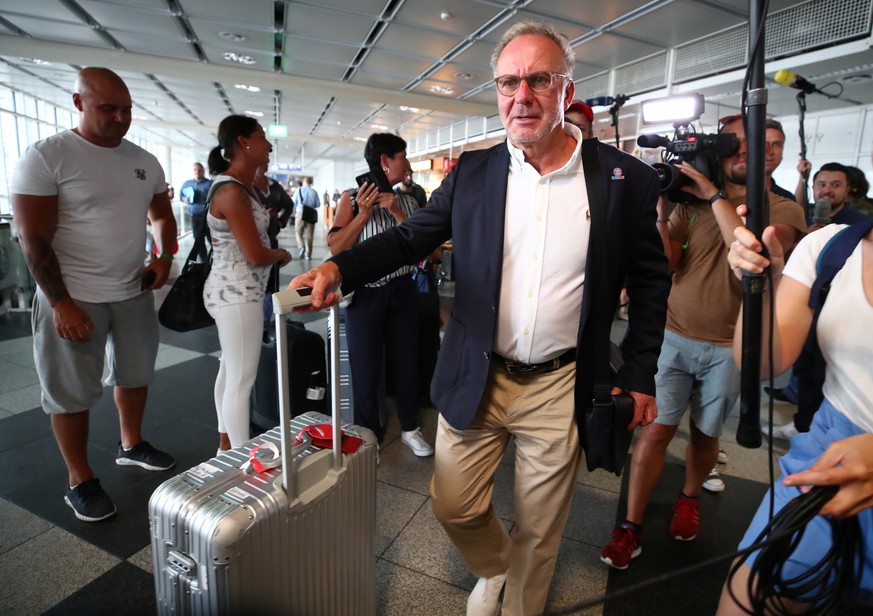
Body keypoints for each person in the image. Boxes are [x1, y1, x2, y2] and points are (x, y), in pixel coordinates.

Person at [290, 21, 670, 615]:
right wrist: (342, 270)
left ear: (566, 89)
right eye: (508, 82)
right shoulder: (473, 173)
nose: (522, 96)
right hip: (477, 370)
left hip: (560, 382)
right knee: (453, 504)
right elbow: (410, 238)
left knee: (542, 531)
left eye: (539, 79)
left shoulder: (624, 180)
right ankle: (496, 567)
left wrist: (641, 369)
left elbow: (650, 281)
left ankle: (518, 600)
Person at [600, 114, 806, 570]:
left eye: (766, 144)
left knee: (705, 433)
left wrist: (713, 195)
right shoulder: (687, 207)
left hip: (730, 346)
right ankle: (630, 526)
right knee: (655, 429)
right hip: (674, 337)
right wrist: (659, 206)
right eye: (737, 144)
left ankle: (689, 497)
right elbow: (667, 263)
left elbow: (752, 246)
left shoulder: (783, 209)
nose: (751, 152)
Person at [9, 67, 178, 523]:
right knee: (71, 393)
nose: (121, 118)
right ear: (79, 102)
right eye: (108, 108)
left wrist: (163, 256)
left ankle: (131, 443)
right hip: (73, 293)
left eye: (126, 109)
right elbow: (33, 237)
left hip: (132, 290)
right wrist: (60, 302)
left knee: (136, 374)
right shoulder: (47, 156)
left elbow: (161, 215)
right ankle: (79, 479)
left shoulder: (144, 160)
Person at [717, 215, 873, 615]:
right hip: (826, 460)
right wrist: (762, 289)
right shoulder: (833, 247)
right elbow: (765, 362)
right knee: (744, 601)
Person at [328, 133, 434, 458]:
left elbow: (426, 250)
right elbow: (335, 247)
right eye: (403, 156)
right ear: (386, 160)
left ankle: (410, 427)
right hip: (365, 294)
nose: (409, 163)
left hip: (403, 290)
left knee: (407, 361)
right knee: (365, 366)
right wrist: (362, 214)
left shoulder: (410, 201)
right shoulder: (350, 198)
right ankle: (367, 435)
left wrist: (398, 213)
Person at [204, 115, 293, 452]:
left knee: (230, 370)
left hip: (237, 291)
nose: (268, 145)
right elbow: (255, 254)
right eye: (262, 137)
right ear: (243, 142)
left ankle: (226, 445)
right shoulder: (230, 191)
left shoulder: (243, 187)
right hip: (237, 293)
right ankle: (244, 461)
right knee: (242, 381)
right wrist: (280, 253)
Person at [179, 162, 212, 263]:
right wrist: (185, 199)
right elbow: (181, 196)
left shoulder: (210, 183)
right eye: (195, 170)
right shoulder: (187, 184)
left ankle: (216, 259)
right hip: (195, 217)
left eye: (199, 169)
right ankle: (204, 262)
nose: (197, 172)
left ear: (203, 171)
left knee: (212, 238)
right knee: (198, 240)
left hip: (208, 216)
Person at [764, 118, 795, 201]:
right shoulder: (730, 195)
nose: (769, 151)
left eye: (776, 145)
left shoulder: (787, 199)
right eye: (762, 144)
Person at [293, 177, 319, 260]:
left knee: (298, 232)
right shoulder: (314, 192)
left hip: (300, 213)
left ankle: (301, 246)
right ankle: (308, 255)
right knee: (309, 235)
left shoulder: (298, 190)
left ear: (303, 182)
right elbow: (317, 204)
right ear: (310, 183)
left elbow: (294, 203)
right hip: (310, 214)